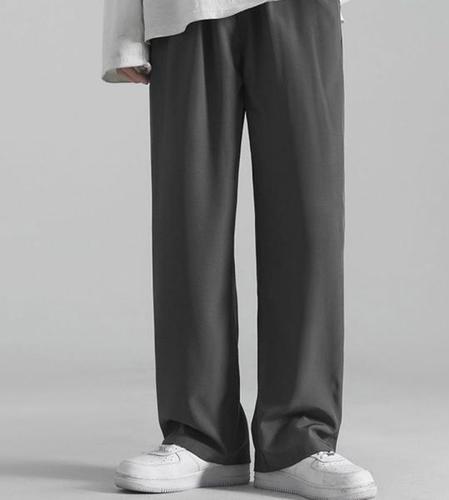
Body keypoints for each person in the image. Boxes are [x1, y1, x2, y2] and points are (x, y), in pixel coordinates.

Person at [102, 1, 377, 499]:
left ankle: (299, 438)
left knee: (309, 219)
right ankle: (200, 436)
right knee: (189, 217)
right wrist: (124, 32)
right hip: (184, 10)